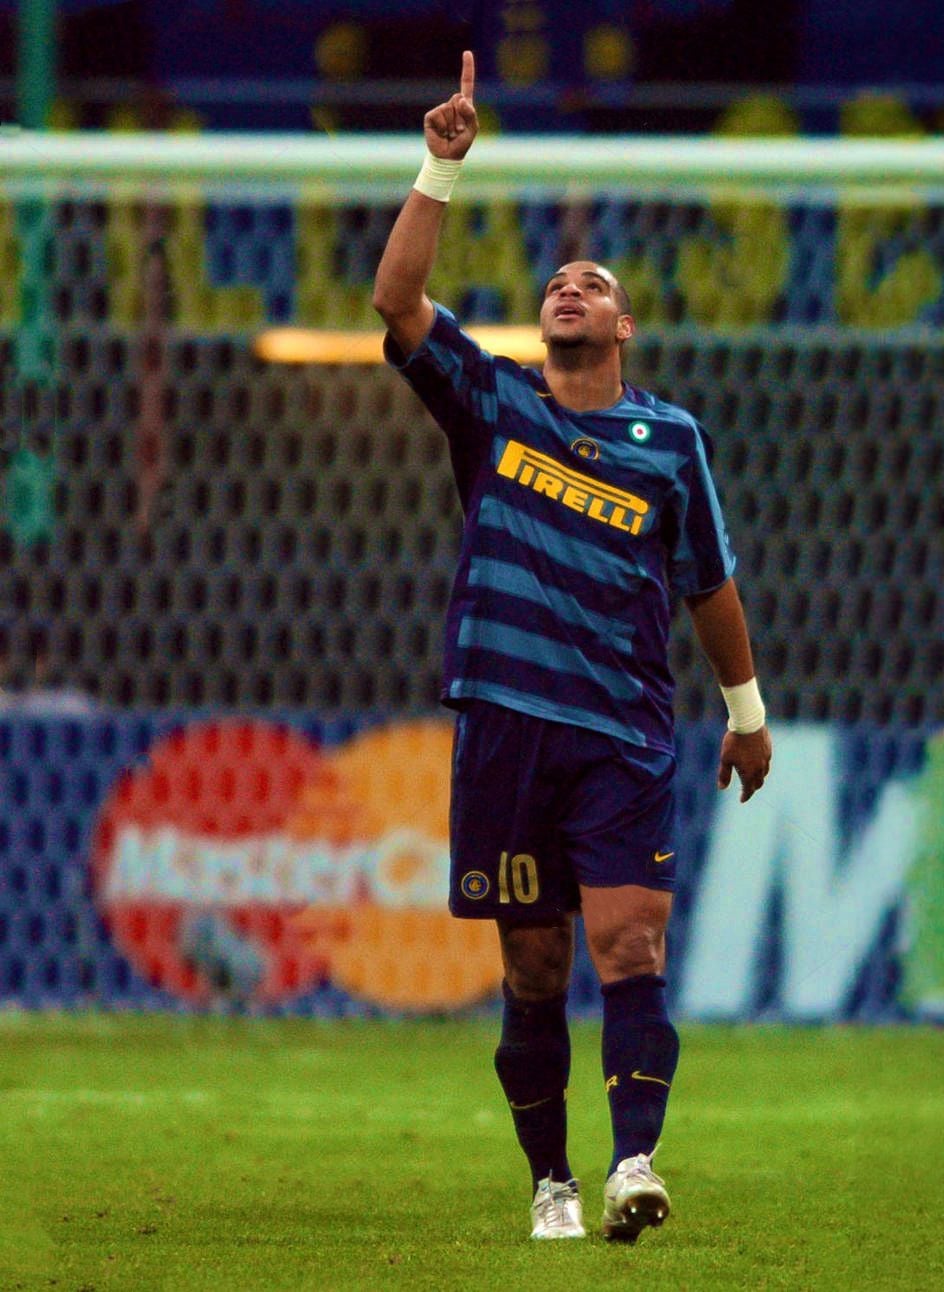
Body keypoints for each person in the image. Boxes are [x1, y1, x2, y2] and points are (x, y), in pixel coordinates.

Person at [373, 51, 772, 1244]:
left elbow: (707, 582)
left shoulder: (669, 440)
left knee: (630, 940)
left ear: (621, 325)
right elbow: (396, 301)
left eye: (590, 283)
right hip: (506, 725)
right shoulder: (494, 404)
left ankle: (631, 1161)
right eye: (555, 281)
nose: (568, 289)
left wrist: (746, 714)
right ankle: (549, 1176)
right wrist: (439, 167)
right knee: (535, 966)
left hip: (621, 731)